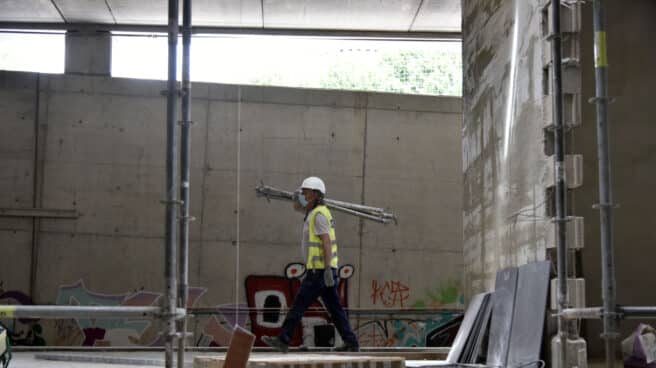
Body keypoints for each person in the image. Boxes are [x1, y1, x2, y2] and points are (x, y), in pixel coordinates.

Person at [262, 176, 360, 353]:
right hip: (322, 271)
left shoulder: (319, 215)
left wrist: (329, 268)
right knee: (335, 309)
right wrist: (296, 198)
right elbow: (298, 207)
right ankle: (351, 342)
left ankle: (283, 340)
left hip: (320, 272)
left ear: (315, 194)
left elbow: (327, 242)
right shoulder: (314, 212)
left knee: (299, 304)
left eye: (305, 192)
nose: (303, 195)